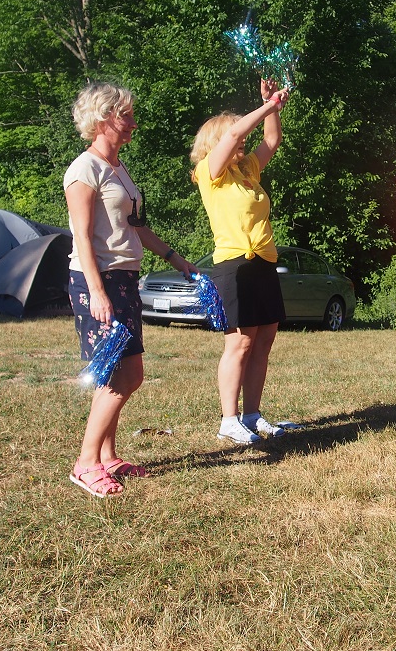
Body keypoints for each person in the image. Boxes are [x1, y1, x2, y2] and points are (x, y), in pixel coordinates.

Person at [64, 82, 196, 498]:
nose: (133, 123)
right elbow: (82, 238)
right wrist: (97, 291)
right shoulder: (84, 170)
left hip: (123, 278)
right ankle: (86, 463)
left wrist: (177, 260)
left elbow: (137, 228)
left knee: (124, 372)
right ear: (103, 118)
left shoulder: (118, 168)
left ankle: (107, 456)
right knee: (121, 375)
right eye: (126, 116)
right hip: (98, 279)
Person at [190, 78, 291, 445]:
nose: (242, 140)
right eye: (234, 136)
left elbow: (272, 140)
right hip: (235, 265)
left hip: (263, 261)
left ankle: (252, 415)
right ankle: (229, 420)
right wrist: (266, 106)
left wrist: (272, 107)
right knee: (240, 344)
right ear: (216, 141)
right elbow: (235, 133)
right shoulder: (210, 172)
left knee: (263, 341)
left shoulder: (247, 170)